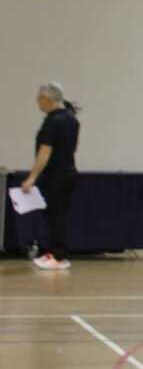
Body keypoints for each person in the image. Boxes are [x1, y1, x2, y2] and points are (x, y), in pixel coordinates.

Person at [17, 81, 80, 270]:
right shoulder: (71, 119)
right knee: (58, 215)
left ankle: (58, 256)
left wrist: (31, 177)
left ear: (47, 99)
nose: (38, 104)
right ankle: (55, 253)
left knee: (56, 216)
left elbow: (44, 152)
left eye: (39, 100)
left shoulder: (53, 122)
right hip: (68, 173)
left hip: (56, 175)